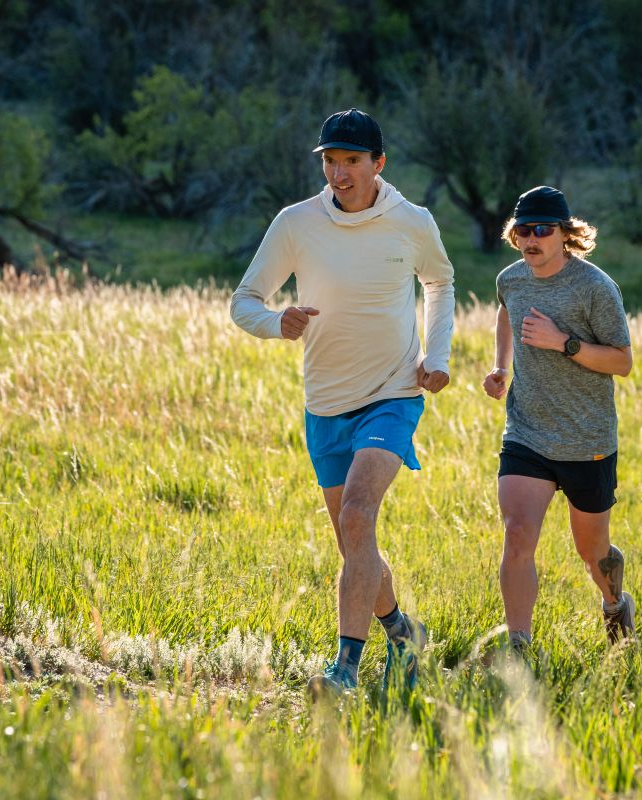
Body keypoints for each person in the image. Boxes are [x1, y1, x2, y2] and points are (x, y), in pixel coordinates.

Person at [230, 109, 455, 696]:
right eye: (330, 161)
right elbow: (244, 300)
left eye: (351, 161)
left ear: (379, 163)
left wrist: (437, 356)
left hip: (393, 393)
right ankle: (403, 632)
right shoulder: (296, 223)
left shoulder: (412, 222)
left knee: (358, 515)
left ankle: (344, 672)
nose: (339, 172)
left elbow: (440, 282)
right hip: (324, 402)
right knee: (354, 540)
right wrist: (276, 321)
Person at [481, 186, 635, 652]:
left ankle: (614, 604)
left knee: (593, 553)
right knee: (518, 534)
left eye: (543, 230)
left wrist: (562, 342)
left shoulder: (595, 288)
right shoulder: (511, 278)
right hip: (527, 432)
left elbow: (623, 362)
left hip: (586, 439)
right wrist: (502, 366)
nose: (532, 239)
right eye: (523, 230)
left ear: (566, 235)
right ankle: (519, 647)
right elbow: (507, 315)